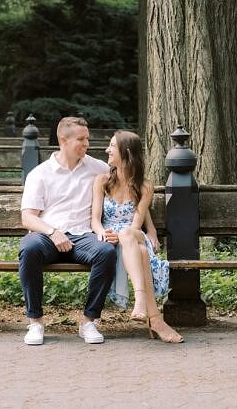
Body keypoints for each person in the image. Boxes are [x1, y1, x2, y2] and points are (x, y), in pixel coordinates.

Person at [18, 116, 115, 345]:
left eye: (87, 139)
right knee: (29, 248)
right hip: (48, 237)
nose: (87, 144)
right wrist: (52, 232)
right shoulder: (40, 173)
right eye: (81, 139)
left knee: (106, 252)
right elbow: (28, 217)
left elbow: (125, 192)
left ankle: (88, 320)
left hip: (84, 236)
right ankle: (35, 321)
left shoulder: (98, 168)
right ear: (63, 140)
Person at [92, 130, 183, 343]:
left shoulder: (144, 186)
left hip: (133, 234)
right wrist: (102, 233)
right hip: (110, 239)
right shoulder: (102, 180)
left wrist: (144, 233)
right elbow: (95, 219)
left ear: (126, 152)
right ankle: (155, 318)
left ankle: (142, 302)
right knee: (140, 251)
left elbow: (136, 224)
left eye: (112, 146)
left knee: (129, 236)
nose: (107, 150)